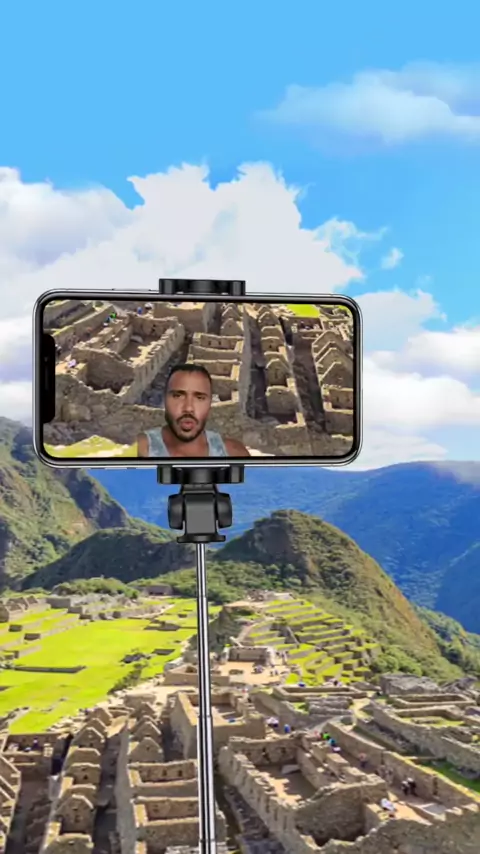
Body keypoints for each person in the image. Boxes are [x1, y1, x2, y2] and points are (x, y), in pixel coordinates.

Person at [137, 363, 250, 458]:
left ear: (210, 403)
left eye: (200, 398)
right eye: (177, 396)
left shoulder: (234, 454)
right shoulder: (139, 451)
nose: (188, 408)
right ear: (164, 400)